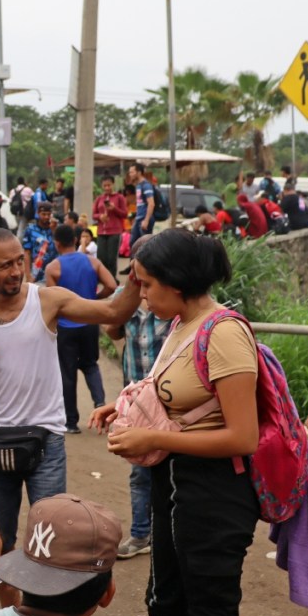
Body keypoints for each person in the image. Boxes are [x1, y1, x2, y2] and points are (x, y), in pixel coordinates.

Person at [90, 228, 260, 616]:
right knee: (169, 600)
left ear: (177, 281)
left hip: (215, 491)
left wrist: (148, 437)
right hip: (174, 484)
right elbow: (174, 399)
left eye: (146, 284)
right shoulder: (181, 325)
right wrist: (123, 409)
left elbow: (243, 436)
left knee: (213, 614)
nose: (140, 295)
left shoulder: (223, 333)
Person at [0, 227, 141, 608]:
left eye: (20, 261)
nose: (16, 271)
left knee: (51, 541)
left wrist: (139, 271)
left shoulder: (48, 301)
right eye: (5, 266)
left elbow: (113, 311)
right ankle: (12, 614)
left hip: (46, 441)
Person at [100, 236, 171, 559]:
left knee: (171, 470)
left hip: (170, 402)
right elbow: (112, 330)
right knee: (139, 471)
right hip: (135, 399)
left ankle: (167, 534)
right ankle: (141, 534)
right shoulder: (124, 297)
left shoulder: (172, 297)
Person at [45, 225, 116, 434]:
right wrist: (93, 300)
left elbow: (50, 300)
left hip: (66, 327)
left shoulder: (53, 268)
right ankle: (100, 406)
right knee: (91, 365)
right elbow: (111, 284)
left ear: (57, 243)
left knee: (67, 374)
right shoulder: (92, 262)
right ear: (76, 240)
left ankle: (71, 422)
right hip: (89, 323)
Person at [92, 174, 127, 277]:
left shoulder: (119, 197)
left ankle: (112, 278)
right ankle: (103, 277)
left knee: (111, 258)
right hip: (101, 231)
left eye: (109, 185)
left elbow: (124, 214)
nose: (107, 187)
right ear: (102, 186)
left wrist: (114, 208)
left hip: (115, 231)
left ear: (113, 185)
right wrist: (100, 216)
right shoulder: (99, 198)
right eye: (105, 185)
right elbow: (93, 214)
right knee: (101, 257)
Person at [22, 201, 57, 284]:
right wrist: (28, 275)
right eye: (43, 214)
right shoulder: (30, 229)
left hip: (54, 271)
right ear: (38, 213)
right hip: (37, 273)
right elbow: (27, 253)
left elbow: (61, 248)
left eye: (48, 214)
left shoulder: (55, 228)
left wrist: (54, 231)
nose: (46, 217)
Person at [128, 164, 156, 246]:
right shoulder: (138, 185)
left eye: (132, 172)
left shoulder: (146, 185)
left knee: (144, 245)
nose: (130, 174)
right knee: (133, 243)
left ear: (139, 172)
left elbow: (151, 203)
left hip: (144, 219)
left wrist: (146, 220)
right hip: (139, 218)